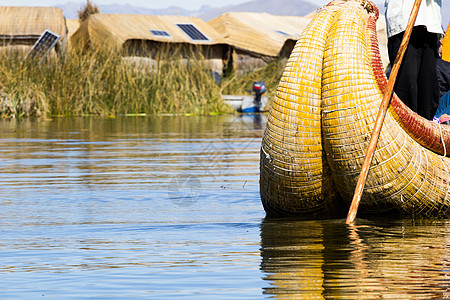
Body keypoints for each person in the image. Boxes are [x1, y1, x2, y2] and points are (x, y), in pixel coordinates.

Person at [385, 0, 444, 120]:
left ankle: (425, 132)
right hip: (403, 21)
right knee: (406, 88)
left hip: (430, 24)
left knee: (428, 91)